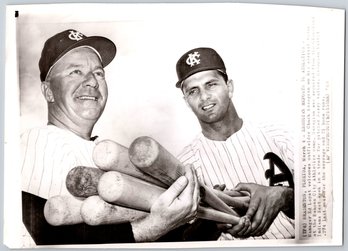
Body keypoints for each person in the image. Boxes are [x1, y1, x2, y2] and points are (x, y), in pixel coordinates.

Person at [20, 29, 208, 246]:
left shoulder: (104, 150)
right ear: (48, 91)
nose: (91, 81)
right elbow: (51, 240)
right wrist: (153, 226)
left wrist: (206, 222)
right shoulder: (38, 142)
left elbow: (165, 236)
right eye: (75, 72)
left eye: (98, 73)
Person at [174, 47, 295, 240]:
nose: (204, 97)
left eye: (211, 84)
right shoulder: (184, 166)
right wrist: (211, 221)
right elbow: (183, 239)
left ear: (229, 87)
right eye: (193, 91)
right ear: (186, 101)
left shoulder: (280, 137)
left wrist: (285, 197)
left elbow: (328, 203)